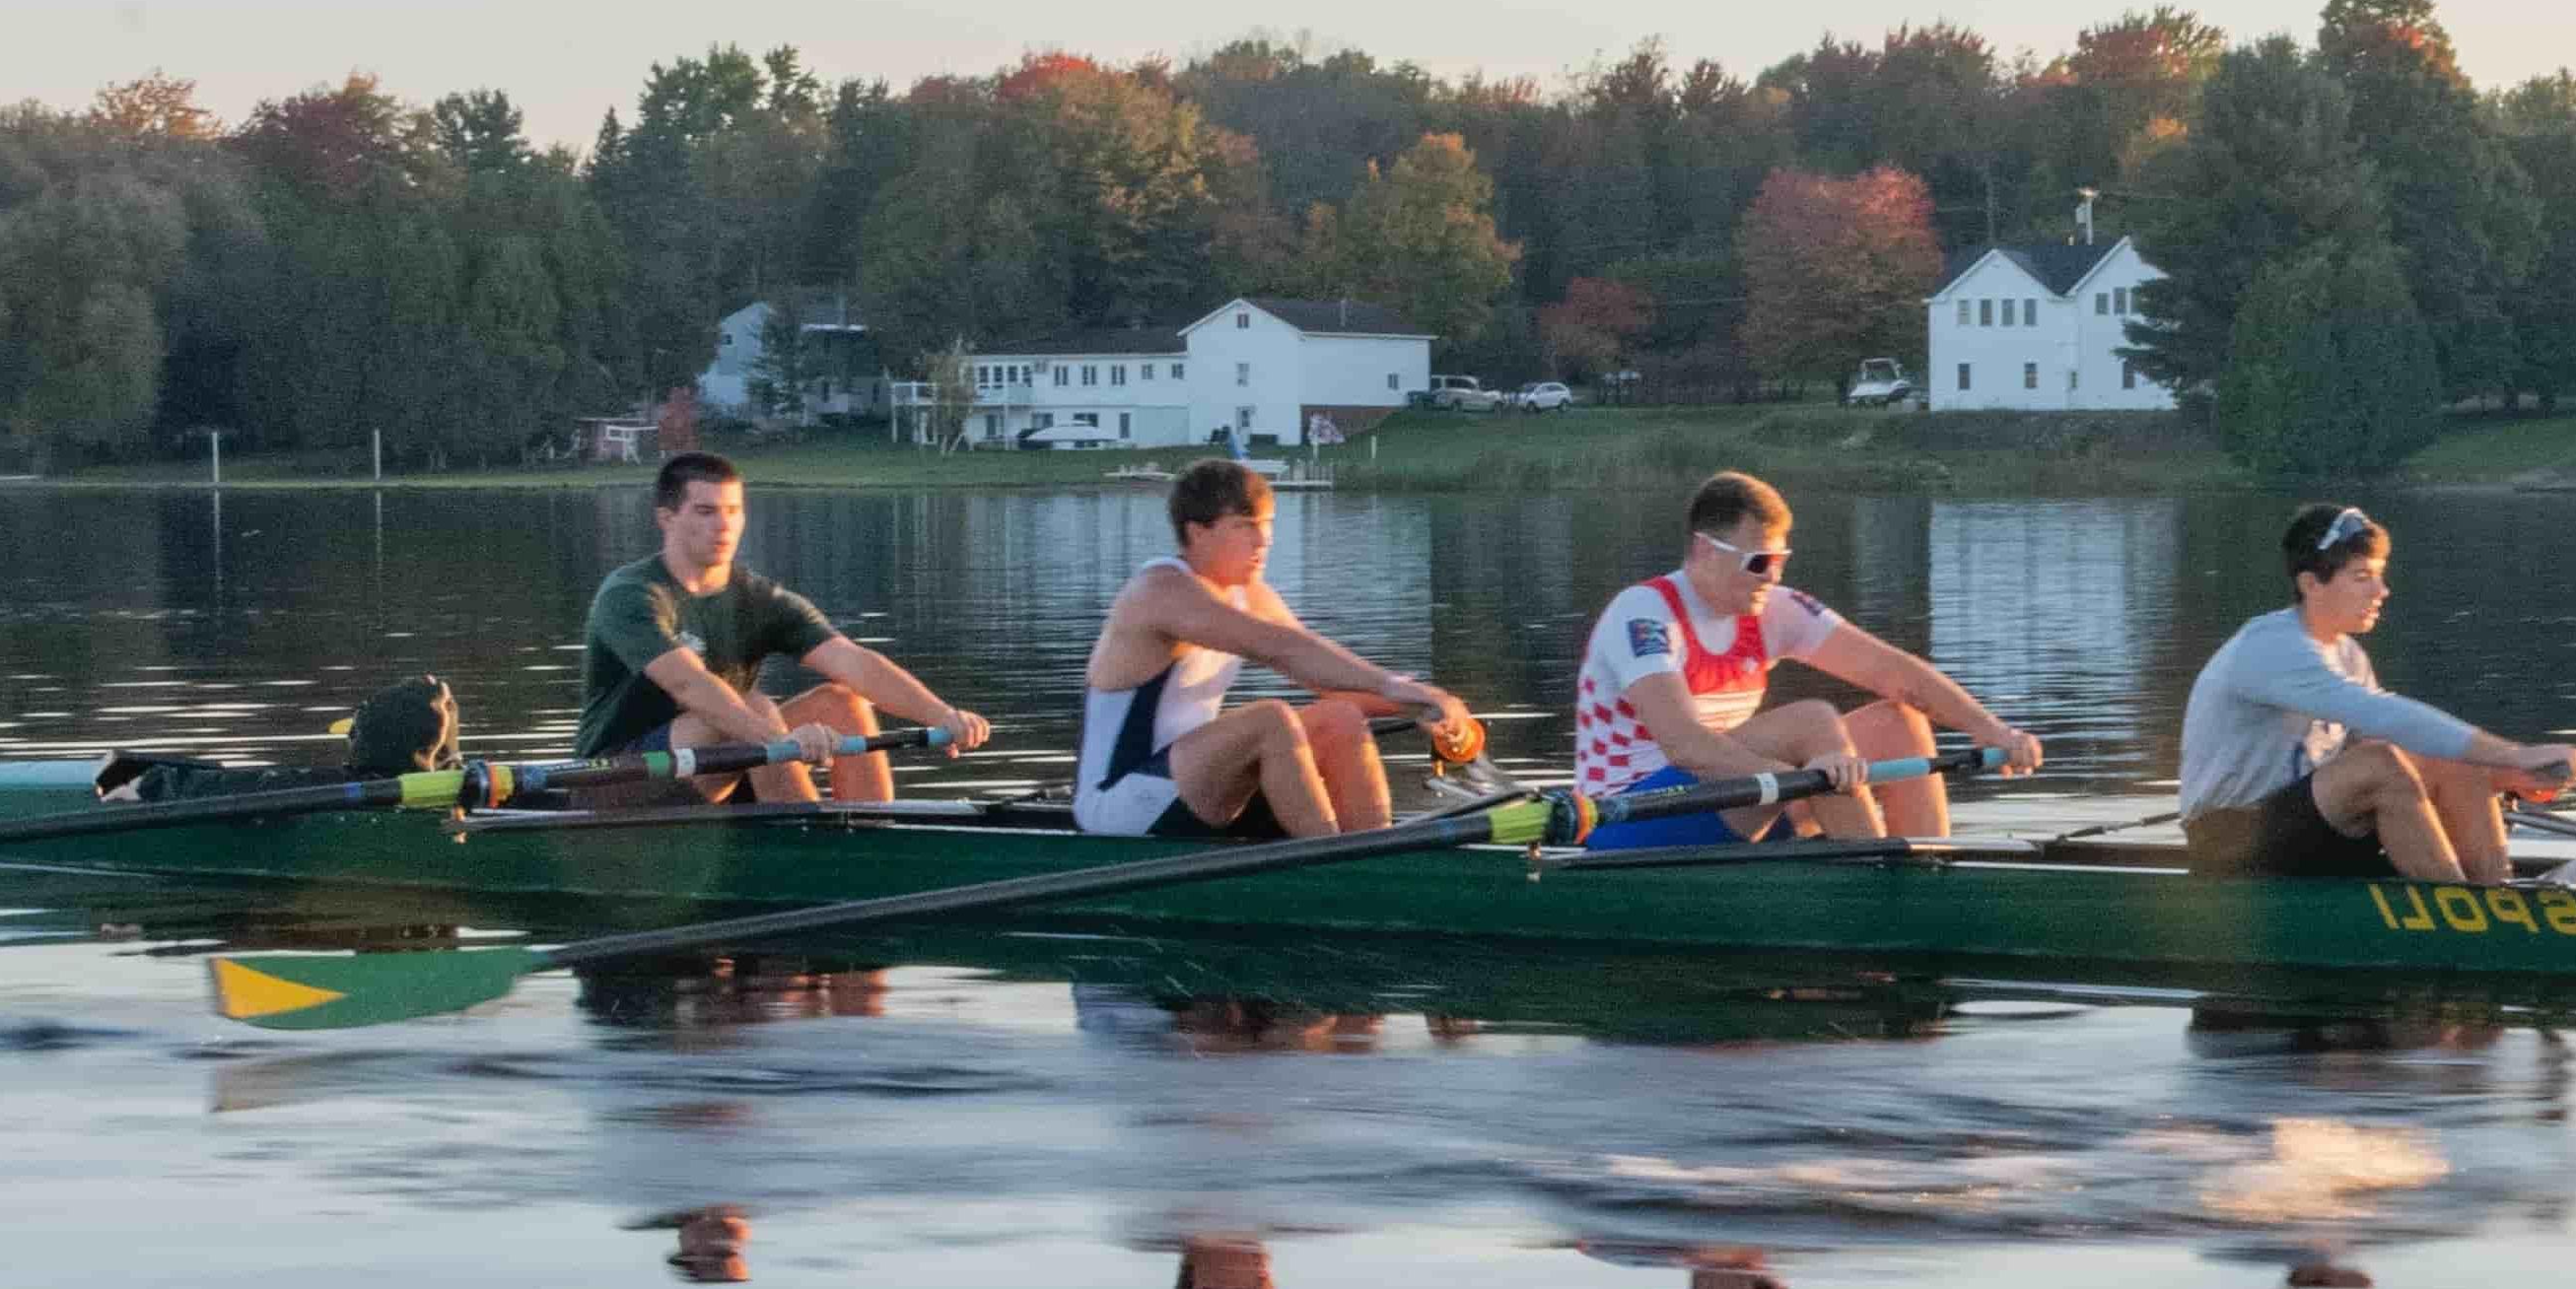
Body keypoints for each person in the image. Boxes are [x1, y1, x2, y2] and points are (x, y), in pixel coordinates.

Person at [1567, 470, 2043, 848]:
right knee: (1812, 722)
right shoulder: (1644, 613)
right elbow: (1685, 746)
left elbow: (1897, 673)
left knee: (1899, 722)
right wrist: (1805, 781)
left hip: (1733, 802)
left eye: (1780, 560)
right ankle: (1877, 886)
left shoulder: (1773, 610)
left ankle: (1927, 871)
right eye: (1758, 562)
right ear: (1705, 550)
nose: (1770, 577)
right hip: (1630, 817)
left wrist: (1993, 730)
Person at [2176, 503, 2576, 884]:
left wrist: (2505, 773)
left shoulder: (2347, 654)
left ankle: (2494, 898)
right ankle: (2457, 917)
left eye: (2379, 576)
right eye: (2361, 577)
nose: (2380, 591)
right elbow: (2384, 720)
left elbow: (2390, 745)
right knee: (2381, 763)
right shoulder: (2269, 647)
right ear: (2311, 584)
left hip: (2310, 830)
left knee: (2458, 762)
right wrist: (2513, 753)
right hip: (2229, 843)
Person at [1077, 459, 1480, 842]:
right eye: (1245, 525)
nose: (1263, 540)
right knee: (1271, 720)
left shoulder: (1247, 594)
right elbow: (1282, 649)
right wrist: (1392, 683)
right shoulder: (1160, 591)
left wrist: (1428, 704)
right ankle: (1334, 865)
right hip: (1118, 805)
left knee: (1339, 716)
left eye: (1266, 525)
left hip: (1192, 784)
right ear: (1198, 532)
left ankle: (1376, 852)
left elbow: (1320, 675)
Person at [574, 452, 990, 799]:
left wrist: (943, 715)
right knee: (750, 707)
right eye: (705, 511)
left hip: (719, 765)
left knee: (841, 703)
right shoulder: (630, 595)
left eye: (733, 511)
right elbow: (689, 686)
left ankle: (873, 837)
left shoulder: (759, 598)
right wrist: (778, 739)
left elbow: (854, 662)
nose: (723, 526)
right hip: (616, 783)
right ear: (666, 518)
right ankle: (811, 840)